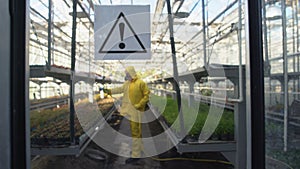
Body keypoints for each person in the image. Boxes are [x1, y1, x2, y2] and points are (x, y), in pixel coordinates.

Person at [110, 66, 150, 164]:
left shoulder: (140, 83)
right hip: (129, 111)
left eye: (127, 73)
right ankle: (139, 150)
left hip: (137, 112)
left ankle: (136, 155)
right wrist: (109, 91)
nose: (126, 75)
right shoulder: (127, 84)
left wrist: (139, 105)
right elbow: (119, 89)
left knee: (136, 133)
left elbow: (147, 95)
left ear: (131, 73)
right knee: (136, 132)